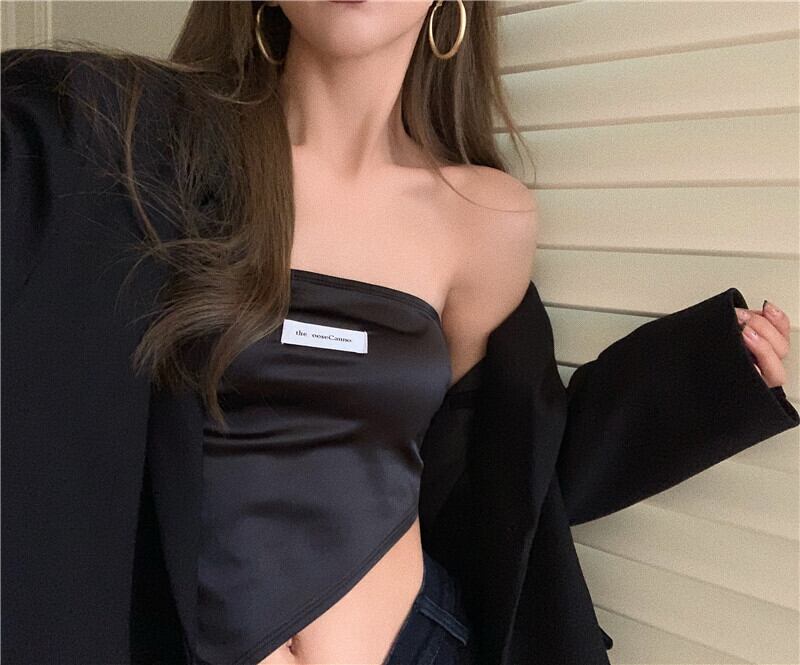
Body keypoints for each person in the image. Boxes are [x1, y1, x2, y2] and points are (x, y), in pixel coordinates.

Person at [2, 2, 796, 665]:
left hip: (420, 644)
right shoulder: (136, 156)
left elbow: (495, 473)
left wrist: (706, 378)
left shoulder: (485, 218)